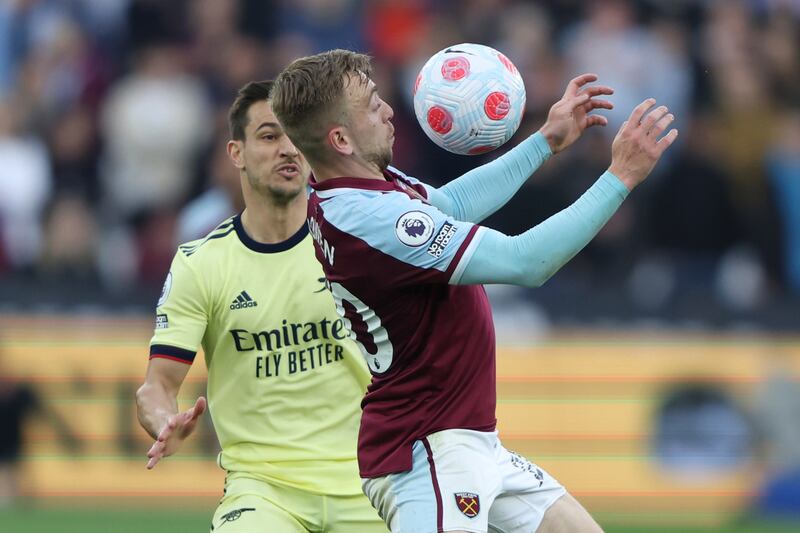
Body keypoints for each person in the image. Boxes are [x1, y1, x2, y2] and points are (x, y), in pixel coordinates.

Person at [272, 49, 678, 533]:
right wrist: (621, 177)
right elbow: (527, 262)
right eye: (371, 104)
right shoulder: (373, 220)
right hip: (429, 451)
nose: (388, 110)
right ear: (340, 139)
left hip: (471, 440)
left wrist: (545, 141)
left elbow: (453, 203)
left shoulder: (362, 187)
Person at [135, 80, 386, 533]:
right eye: (270, 136)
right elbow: (157, 386)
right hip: (263, 491)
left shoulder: (361, 240)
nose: (287, 149)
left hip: (371, 483)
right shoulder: (201, 264)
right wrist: (163, 420)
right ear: (236, 153)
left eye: (295, 136)